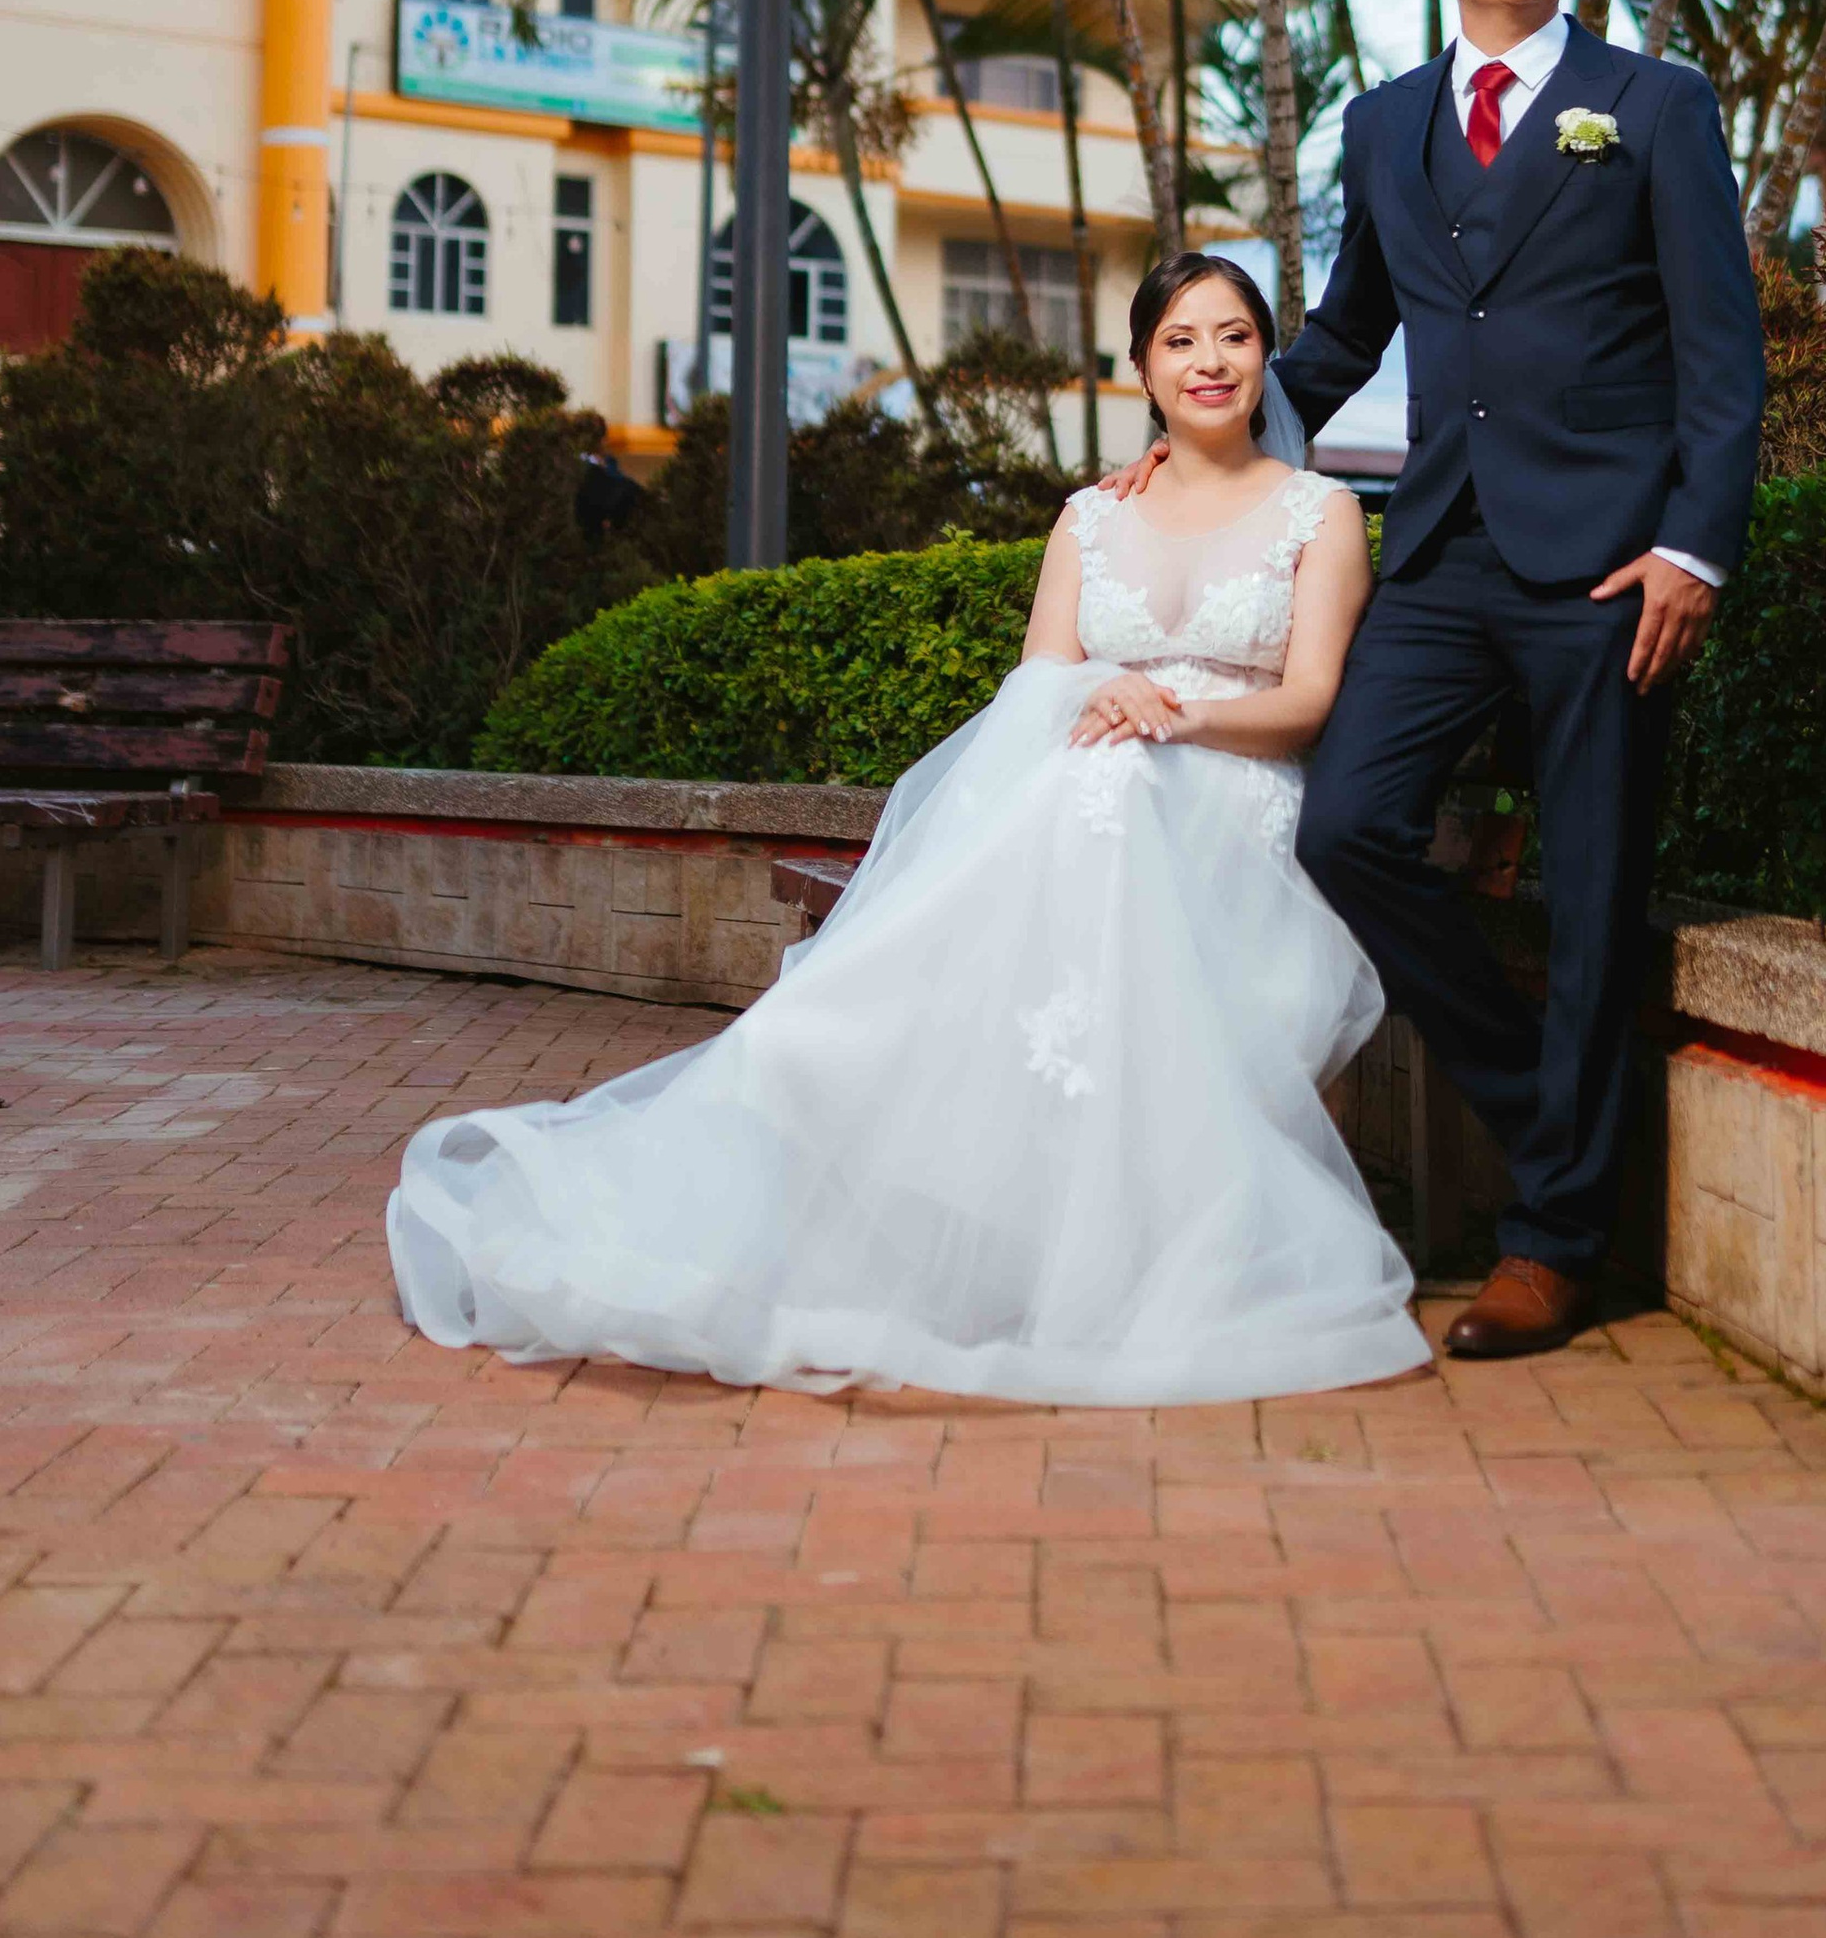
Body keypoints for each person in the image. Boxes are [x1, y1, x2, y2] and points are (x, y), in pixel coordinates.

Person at [386, 252, 1428, 1406]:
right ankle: (831, 1061)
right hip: (1097, 790)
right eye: (1179, 340)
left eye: (1233, 337)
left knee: (1114, 793)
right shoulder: (1090, 517)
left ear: (1264, 356)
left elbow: (1306, 705)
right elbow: (1041, 680)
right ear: (1140, 367)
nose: (1209, 362)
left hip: (1229, 800)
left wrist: (1169, 718)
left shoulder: (1315, 512)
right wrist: (1102, 697)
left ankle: (930, 1099)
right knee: (1099, 793)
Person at [1128, 0, 1764, 1362]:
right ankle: (1559, 1115)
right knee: (1349, 823)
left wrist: (1695, 548)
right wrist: (1193, 428)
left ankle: (1555, 1246)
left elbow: (1720, 353)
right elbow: (1348, 331)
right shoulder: (1387, 122)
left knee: (1601, 900)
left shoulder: (1656, 105)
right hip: (1443, 551)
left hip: (1613, 565)